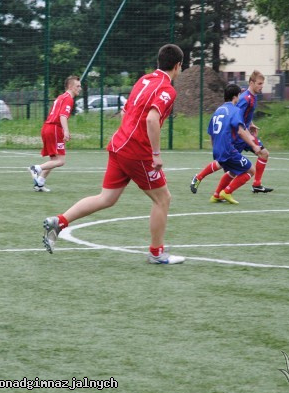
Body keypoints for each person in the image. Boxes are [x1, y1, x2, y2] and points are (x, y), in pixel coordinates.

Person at [42, 44, 185, 264]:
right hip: (136, 151)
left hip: (119, 145)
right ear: (177, 66)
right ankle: (156, 253)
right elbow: (151, 119)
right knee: (163, 199)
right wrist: (155, 154)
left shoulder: (144, 80)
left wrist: (128, 134)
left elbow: (126, 111)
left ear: (159, 62)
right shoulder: (167, 89)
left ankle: (59, 222)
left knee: (106, 198)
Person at [190, 70, 274, 195]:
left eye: (262, 83)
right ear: (251, 83)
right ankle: (204, 181)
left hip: (244, 134)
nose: (262, 86)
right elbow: (235, 114)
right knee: (226, 165)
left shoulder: (252, 97)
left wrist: (250, 124)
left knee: (263, 154)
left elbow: (243, 115)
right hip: (239, 136)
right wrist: (246, 132)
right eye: (259, 83)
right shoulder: (245, 98)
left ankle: (256, 184)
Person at [205, 84, 263, 204]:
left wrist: (215, 148)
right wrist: (254, 146)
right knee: (251, 170)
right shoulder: (235, 110)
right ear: (235, 96)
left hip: (218, 149)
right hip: (228, 149)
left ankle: (216, 195)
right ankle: (227, 192)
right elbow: (241, 131)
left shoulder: (218, 110)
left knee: (232, 171)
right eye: (239, 94)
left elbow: (211, 132)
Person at [28, 75, 82, 192]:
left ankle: (40, 183)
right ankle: (36, 168)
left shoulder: (61, 97)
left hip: (47, 128)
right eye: (78, 86)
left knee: (54, 160)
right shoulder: (68, 99)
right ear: (70, 86)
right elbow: (62, 116)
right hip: (55, 129)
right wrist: (66, 131)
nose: (80, 88)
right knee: (60, 161)